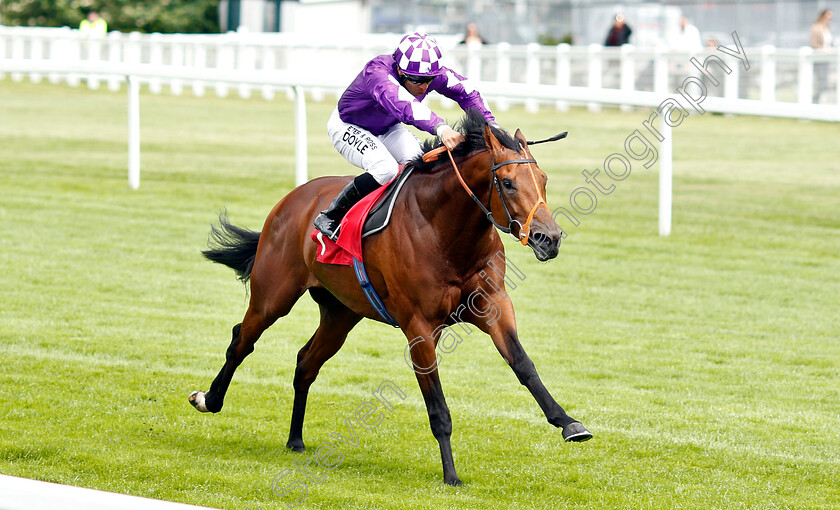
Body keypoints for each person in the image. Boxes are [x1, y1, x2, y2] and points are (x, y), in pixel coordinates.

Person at [313, 32, 497, 241]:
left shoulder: (426, 74)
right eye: (418, 80)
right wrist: (442, 128)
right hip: (348, 125)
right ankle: (331, 215)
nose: (424, 87)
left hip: (387, 127)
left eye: (429, 79)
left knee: (421, 163)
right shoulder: (377, 72)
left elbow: (468, 91)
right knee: (385, 170)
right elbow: (405, 105)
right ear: (400, 70)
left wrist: (493, 127)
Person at [810, 9, 833, 103]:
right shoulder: (815, 28)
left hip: (827, 59)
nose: (829, 19)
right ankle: (814, 101)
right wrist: (824, 50)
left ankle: (818, 101)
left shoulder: (828, 29)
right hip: (819, 58)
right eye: (827, 17)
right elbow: (813, 43)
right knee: (822, 83)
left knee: (826, 83)